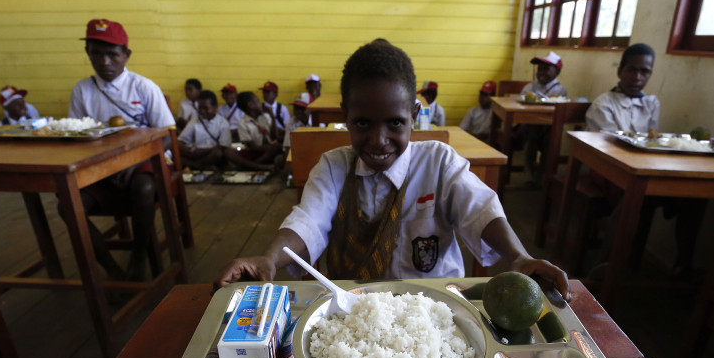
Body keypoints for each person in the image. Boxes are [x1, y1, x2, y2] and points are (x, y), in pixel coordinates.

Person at [213, 40, 570, 301]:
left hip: (433, 305)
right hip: (354, 303)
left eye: (395, 123)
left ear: (414, 115)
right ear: (345, 116)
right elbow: (308, 221)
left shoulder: (438, 162)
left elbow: (480, 210)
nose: (378, 140)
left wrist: (518, 257)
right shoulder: (335, 167)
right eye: (363, 123)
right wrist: (269, 258)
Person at [585, 43, 706, 280]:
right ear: (620, 71)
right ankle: (606, 264)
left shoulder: (651, 102)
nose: (637, 77)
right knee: (635, 194)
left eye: (645, 71)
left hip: (642, 169)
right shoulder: (603, 103)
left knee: (695, 197)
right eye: (631, 70)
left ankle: (683, 266)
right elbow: (607, 146)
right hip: (608, 168)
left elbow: (651, 137)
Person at [68, 18, 176, 283]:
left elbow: (168, 135)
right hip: (100, 166)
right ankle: (110, 268)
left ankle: (138, 254)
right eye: (96, 53)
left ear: (126, 54)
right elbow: (77, 136)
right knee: (69, 205)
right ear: (88, 54)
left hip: (144, 161)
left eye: (112, 54)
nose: (104, 61)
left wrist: (132, 161)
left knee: (144, 187)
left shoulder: (144, 87)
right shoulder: (82, 90)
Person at [517, 51, 568, 186]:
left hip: (548, 128)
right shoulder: (529, 87)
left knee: (549, 142)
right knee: (531, 139)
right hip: (530, 126)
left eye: (546, 69)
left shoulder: (560, 90)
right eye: (540, 69)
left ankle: (542, 176)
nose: (541, 72)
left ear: (556, 72)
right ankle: (528, 174)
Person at [224, 91, 282, 171]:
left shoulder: (265, 116)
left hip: (270, 152)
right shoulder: (242, 123)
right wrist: (269, 148)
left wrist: (272, 117)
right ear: (250, 105)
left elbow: (274, 137)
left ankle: (249, 166)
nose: (260, 103)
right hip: (256, 151)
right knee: (228, 152)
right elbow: (252, 147)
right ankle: (258, 166)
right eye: (257, 101)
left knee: (278, 148)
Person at [177, 90, 231, 171]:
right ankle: (202, 167)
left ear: (215, 107)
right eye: (200, 108)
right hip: (196, 154)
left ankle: (195, 166)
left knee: (218, 154)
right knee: (173, 152)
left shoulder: (223, 123)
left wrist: (203, 151)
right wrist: (189, 150)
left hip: (211, 154)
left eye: (206, 108)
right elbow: (180, 141)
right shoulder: (194, 121)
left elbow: (223, 147)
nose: (202, 111)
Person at [281, 96, 310, 163]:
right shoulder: (291, 123)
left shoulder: (317, 121)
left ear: (309, 109)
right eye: (296, 108)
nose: (298, 111)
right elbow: (288, 146)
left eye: (302, 108)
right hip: (298, 154)